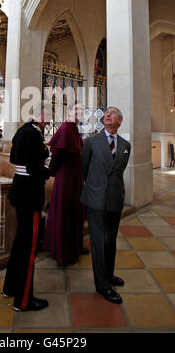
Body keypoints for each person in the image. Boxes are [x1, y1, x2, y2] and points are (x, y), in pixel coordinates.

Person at [2, 101, 52, 312]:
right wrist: (49, 169)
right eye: (49, 114)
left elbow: (14, 158)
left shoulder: (23, 130)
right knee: (29, 248)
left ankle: (10, 287)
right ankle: (24, 300)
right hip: (30, 194)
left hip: (20, 190)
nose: (50, 118)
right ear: (40, 115)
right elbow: (34, 168)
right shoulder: (34, 134)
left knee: (20, 243)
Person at [80, 107, 131, 304]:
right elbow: (84, 168)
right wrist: (95, 187)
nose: (107, 114)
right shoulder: (92, 142)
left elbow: (119, 172)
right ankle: (102, 285)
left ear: (120, 121)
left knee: (111, 241)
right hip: (95, 198)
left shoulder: (126, 145)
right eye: (106, 113)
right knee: (98, 242)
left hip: (115, 199)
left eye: (113, 113)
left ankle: (109, 275)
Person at [44, 102, 88, 266]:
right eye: (76, 109)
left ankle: (75, 246)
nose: (79, 113)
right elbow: (57, 155)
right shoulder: (64, 129)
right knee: (65, 213)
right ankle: (64, 253)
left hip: (75, 179)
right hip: (66, 180)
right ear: (69, 111)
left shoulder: (74, 129)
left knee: (75, 213)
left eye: (82, 110)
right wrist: (52, 172)